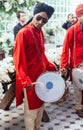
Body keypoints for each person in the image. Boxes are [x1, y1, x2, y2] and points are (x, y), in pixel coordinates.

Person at [13, 2, 56, 130]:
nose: (41, 22)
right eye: (39, 18)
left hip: (42, 77)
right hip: (30, 80)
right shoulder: (23, 33)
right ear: (33, 15)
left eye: (45, 20)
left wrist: (51, 66)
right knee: (31, 111)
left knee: (40, 107)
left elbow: (41, 55)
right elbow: (18, 61)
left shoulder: (40, 32)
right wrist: (25, 80)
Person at [60, 4, 83, 119]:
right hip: (76, 64)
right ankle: (78, 108)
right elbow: (65, 49)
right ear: (79, 16)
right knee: (78, 88)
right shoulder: (72, 30)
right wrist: (64, 65)